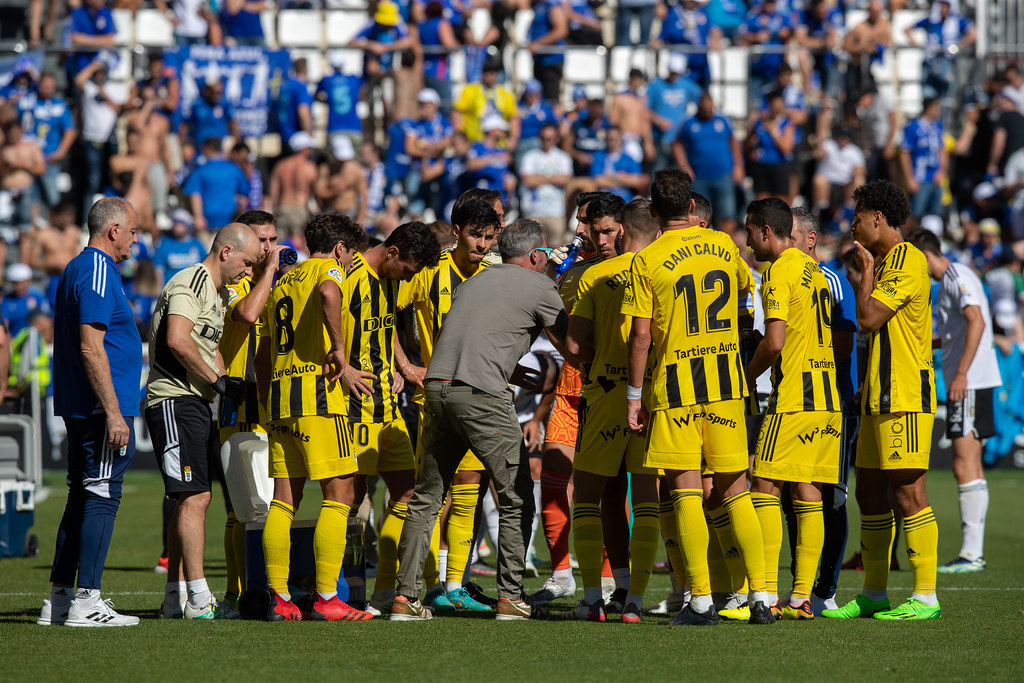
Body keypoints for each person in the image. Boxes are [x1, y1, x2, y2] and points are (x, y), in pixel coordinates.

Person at [392, 218, 566, 622]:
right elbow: (571, 345)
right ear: (537, 254)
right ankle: (510, 596)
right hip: (481, 395)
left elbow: (474, 335)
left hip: (436, 387)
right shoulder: (541, 284)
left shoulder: (473, 282)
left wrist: (507, 368)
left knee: (427, 498)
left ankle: (405, 598)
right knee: (517, 493)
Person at [623, 168, 773, 626]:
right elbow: (750, 301)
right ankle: (762, 596)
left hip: (676, 389)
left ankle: (701, 600)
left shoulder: (645, 261)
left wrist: (634, 395)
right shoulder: (726, 245)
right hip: (727, 386)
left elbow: (641, 337)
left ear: (652, 211)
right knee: (735, 490)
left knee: (685, 491)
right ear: (692, 206)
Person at [823, 180, 940, 621]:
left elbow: (869, 318)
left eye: (857, 219)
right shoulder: (890, 260)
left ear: (877, 217)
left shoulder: (908, 259)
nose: (852, 227)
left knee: (909, 492)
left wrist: (865, 273)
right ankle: (874, 592)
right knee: (870, 492)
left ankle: (926, 597)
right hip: (876, 395)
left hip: (905, 395)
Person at [258, 213, 374, 621]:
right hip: (319, 399)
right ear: (340, 248)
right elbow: (328, 291)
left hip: (281, 400)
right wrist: (341, 352)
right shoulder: (328, 269)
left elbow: (263, 350)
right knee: (340, 496)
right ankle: (327, 598)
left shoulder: (281, 282)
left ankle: (279, 597)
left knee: (283, 501)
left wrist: (265, 400)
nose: (349, 264)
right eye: (350, 256)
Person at [146, 224, 260, 620]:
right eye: (247, 262)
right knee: (197, 497)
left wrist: (227, 382)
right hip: (173, 400)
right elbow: (177, 339)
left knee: (187, 497)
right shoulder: (193, 280)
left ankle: (175, 597)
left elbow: (206, 347)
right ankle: (198, 599)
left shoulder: (217, 293)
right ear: (226, 252)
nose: (249, 271)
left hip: (194, 402)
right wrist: (216, 381)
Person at [39, 197, 141, 627]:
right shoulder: (97, 269)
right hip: (99, 408)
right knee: (101, 494)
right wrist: (114, 412)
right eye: (132, 230)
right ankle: (87, 599)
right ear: (113, 230)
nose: (137, 238)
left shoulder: (84, 268)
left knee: (82, 495)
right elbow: (90, 345)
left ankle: (60, 599)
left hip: (87, 404)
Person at [395, 199, 500, 612]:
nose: (482, 244)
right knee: (432, 494)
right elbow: (385, 310)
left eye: (489, 237)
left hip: (481, 394)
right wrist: (406, 365)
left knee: (469, 489)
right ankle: (426, 583)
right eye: (476, 235)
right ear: (456, 232)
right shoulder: (430, 273)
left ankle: (455, 584)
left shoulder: (495, 274)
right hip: (437, 398)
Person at [563, 197, 662, 622]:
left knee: (587, 497)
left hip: (604, 395)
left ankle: (591, 600)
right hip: (652, 397)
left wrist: (598, 356)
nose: (599, 238)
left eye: (606, 230)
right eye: (594, 230)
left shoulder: (595, 276)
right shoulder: (663, 268)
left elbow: (570, 345)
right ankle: (632, 598)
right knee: (645, 500)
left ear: (622, 229)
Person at [743, 197, 842, 620]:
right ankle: (801, 596)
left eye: (749, 231)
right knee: (809, 492)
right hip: (827, 398)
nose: (746, 241)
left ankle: (763, 592)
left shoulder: (779, 270)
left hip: (795, 398)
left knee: (763, 485)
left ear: (766, 231)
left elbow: (776, 340)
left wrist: (746, 375)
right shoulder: (812, 269)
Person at [339, 221, 441, 613]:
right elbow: (329, 330)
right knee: (351, 498)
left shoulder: (389, 280)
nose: (410, 278)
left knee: (407, 493)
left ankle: (385, 592)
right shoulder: (350, 277)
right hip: (354, 406)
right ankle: (347, 591)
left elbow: (387, 331)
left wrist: (405, 367)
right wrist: (344, 368)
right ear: (393, 252)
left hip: (389, 403)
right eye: (409, 270)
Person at [907, 229, 1000, 574]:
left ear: (924, 255)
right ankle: (972, 553)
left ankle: (971, 554)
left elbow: (976, 320)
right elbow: (956, 332)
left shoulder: (956, 276)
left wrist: (960, 374)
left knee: (964, 465)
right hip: (975, 380)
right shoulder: (951, 278)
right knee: (970, 466)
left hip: (971, 382)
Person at [789, 207, 858, 615]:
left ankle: (825, 588)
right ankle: (799, 586)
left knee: (830, 497)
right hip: (795, 401)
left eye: (791, 235)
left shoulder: (832, 281)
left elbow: (844, 343)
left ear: (810, 239)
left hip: (832, 405)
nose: (785, 242)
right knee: (791, 495)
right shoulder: (784, 276)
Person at [216, 210, 285, 611]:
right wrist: (269, 274)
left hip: (270, 400)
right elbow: (246, 315)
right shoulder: (234, 282)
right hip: (239, 398)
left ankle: (259, 589)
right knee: (243, 505)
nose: (269, 248)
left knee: (267, 501)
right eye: (262, 240)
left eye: (273, 239)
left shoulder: (266, 281)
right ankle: (234, 593)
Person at [674, 91, 744, 234]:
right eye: (703, 107)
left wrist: (738, 166)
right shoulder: (689, 123)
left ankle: (726, 245)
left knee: (726, 214)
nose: (707, 110)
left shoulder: (723, 121)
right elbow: (676, 144)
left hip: (723, 175)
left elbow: (734, 142)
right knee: (698, 216)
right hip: (699, 177)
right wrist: (684, 166)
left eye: (709, 106)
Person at [17, 71, 76, 210]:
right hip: (28, 160)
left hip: (50, 159)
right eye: (45, 86)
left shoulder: (60, 105)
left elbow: (70, 131)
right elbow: (14, 124)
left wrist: (60, 153)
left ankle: (52, 226)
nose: (48, 89)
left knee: (52, 197)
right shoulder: (25, 102)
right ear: (38, 85)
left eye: (51, 86)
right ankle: (34, 226)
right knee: (30, 197)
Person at [519, 123, 573, 247]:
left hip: (556, 211)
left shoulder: (564, 158)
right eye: (543, 138)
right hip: (533, 210)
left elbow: (565, 179)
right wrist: (553, 178)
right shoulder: (529, 157)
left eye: (550, 138)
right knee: (533, 247)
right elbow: (527, 180)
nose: (546, 141)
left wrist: (539, 177)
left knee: (557, 249)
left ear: (556, 139)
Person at [184, 138, 251, 232]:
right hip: (230, 221)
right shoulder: (234, 168)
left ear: (208, 149)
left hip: (207, 222)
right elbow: (244, 194)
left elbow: (195, 194)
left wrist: (198, 217)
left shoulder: (200, 170)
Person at [900, 97, 947, 220]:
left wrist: (942, 171)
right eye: (936, 107)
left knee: (936, 214)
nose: (938, 111)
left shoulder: (937, 126)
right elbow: (904, 152)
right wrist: (909, 178)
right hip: (919, 177)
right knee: (916, 214)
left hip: (935, 177)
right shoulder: (913, 126)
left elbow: (942, 150)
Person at [268, 132, 318, 239]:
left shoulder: (280, 166)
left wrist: (274, 211)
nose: (310, 151)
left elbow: (274, 192)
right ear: (303, 149)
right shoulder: (309, 167)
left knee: (280, 247)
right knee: (298, 247)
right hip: (300, 209)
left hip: (282, 208)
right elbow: (315, 193)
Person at [526, 0, 568, 103]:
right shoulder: (539, 6)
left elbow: (561, 30)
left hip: (551, 61)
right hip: (540, 60)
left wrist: (539, 44)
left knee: (551, 101)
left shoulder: (552, 6)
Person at [154, 208, 206, 283]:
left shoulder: (197, 244)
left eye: (180, 224)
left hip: (192, 288)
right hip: (171, 288)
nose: (176, 228)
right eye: (175, 224)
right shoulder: (164, 243)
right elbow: (158, 270)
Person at [275, 58, 313, 152]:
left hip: (284, 134)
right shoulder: (301, 86)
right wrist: (309, 134)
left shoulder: (284, 86)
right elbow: (303, 112)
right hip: (298, 138)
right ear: (306, 70)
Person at [2, 263, 50, 337]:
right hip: (15, 341)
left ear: (28, 280)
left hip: (36, 339)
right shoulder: (7, 300)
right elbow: (4, 326)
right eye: (14, 282)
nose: (17, 286)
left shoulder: (38, 296)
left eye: (20, 282)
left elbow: (47, 319)